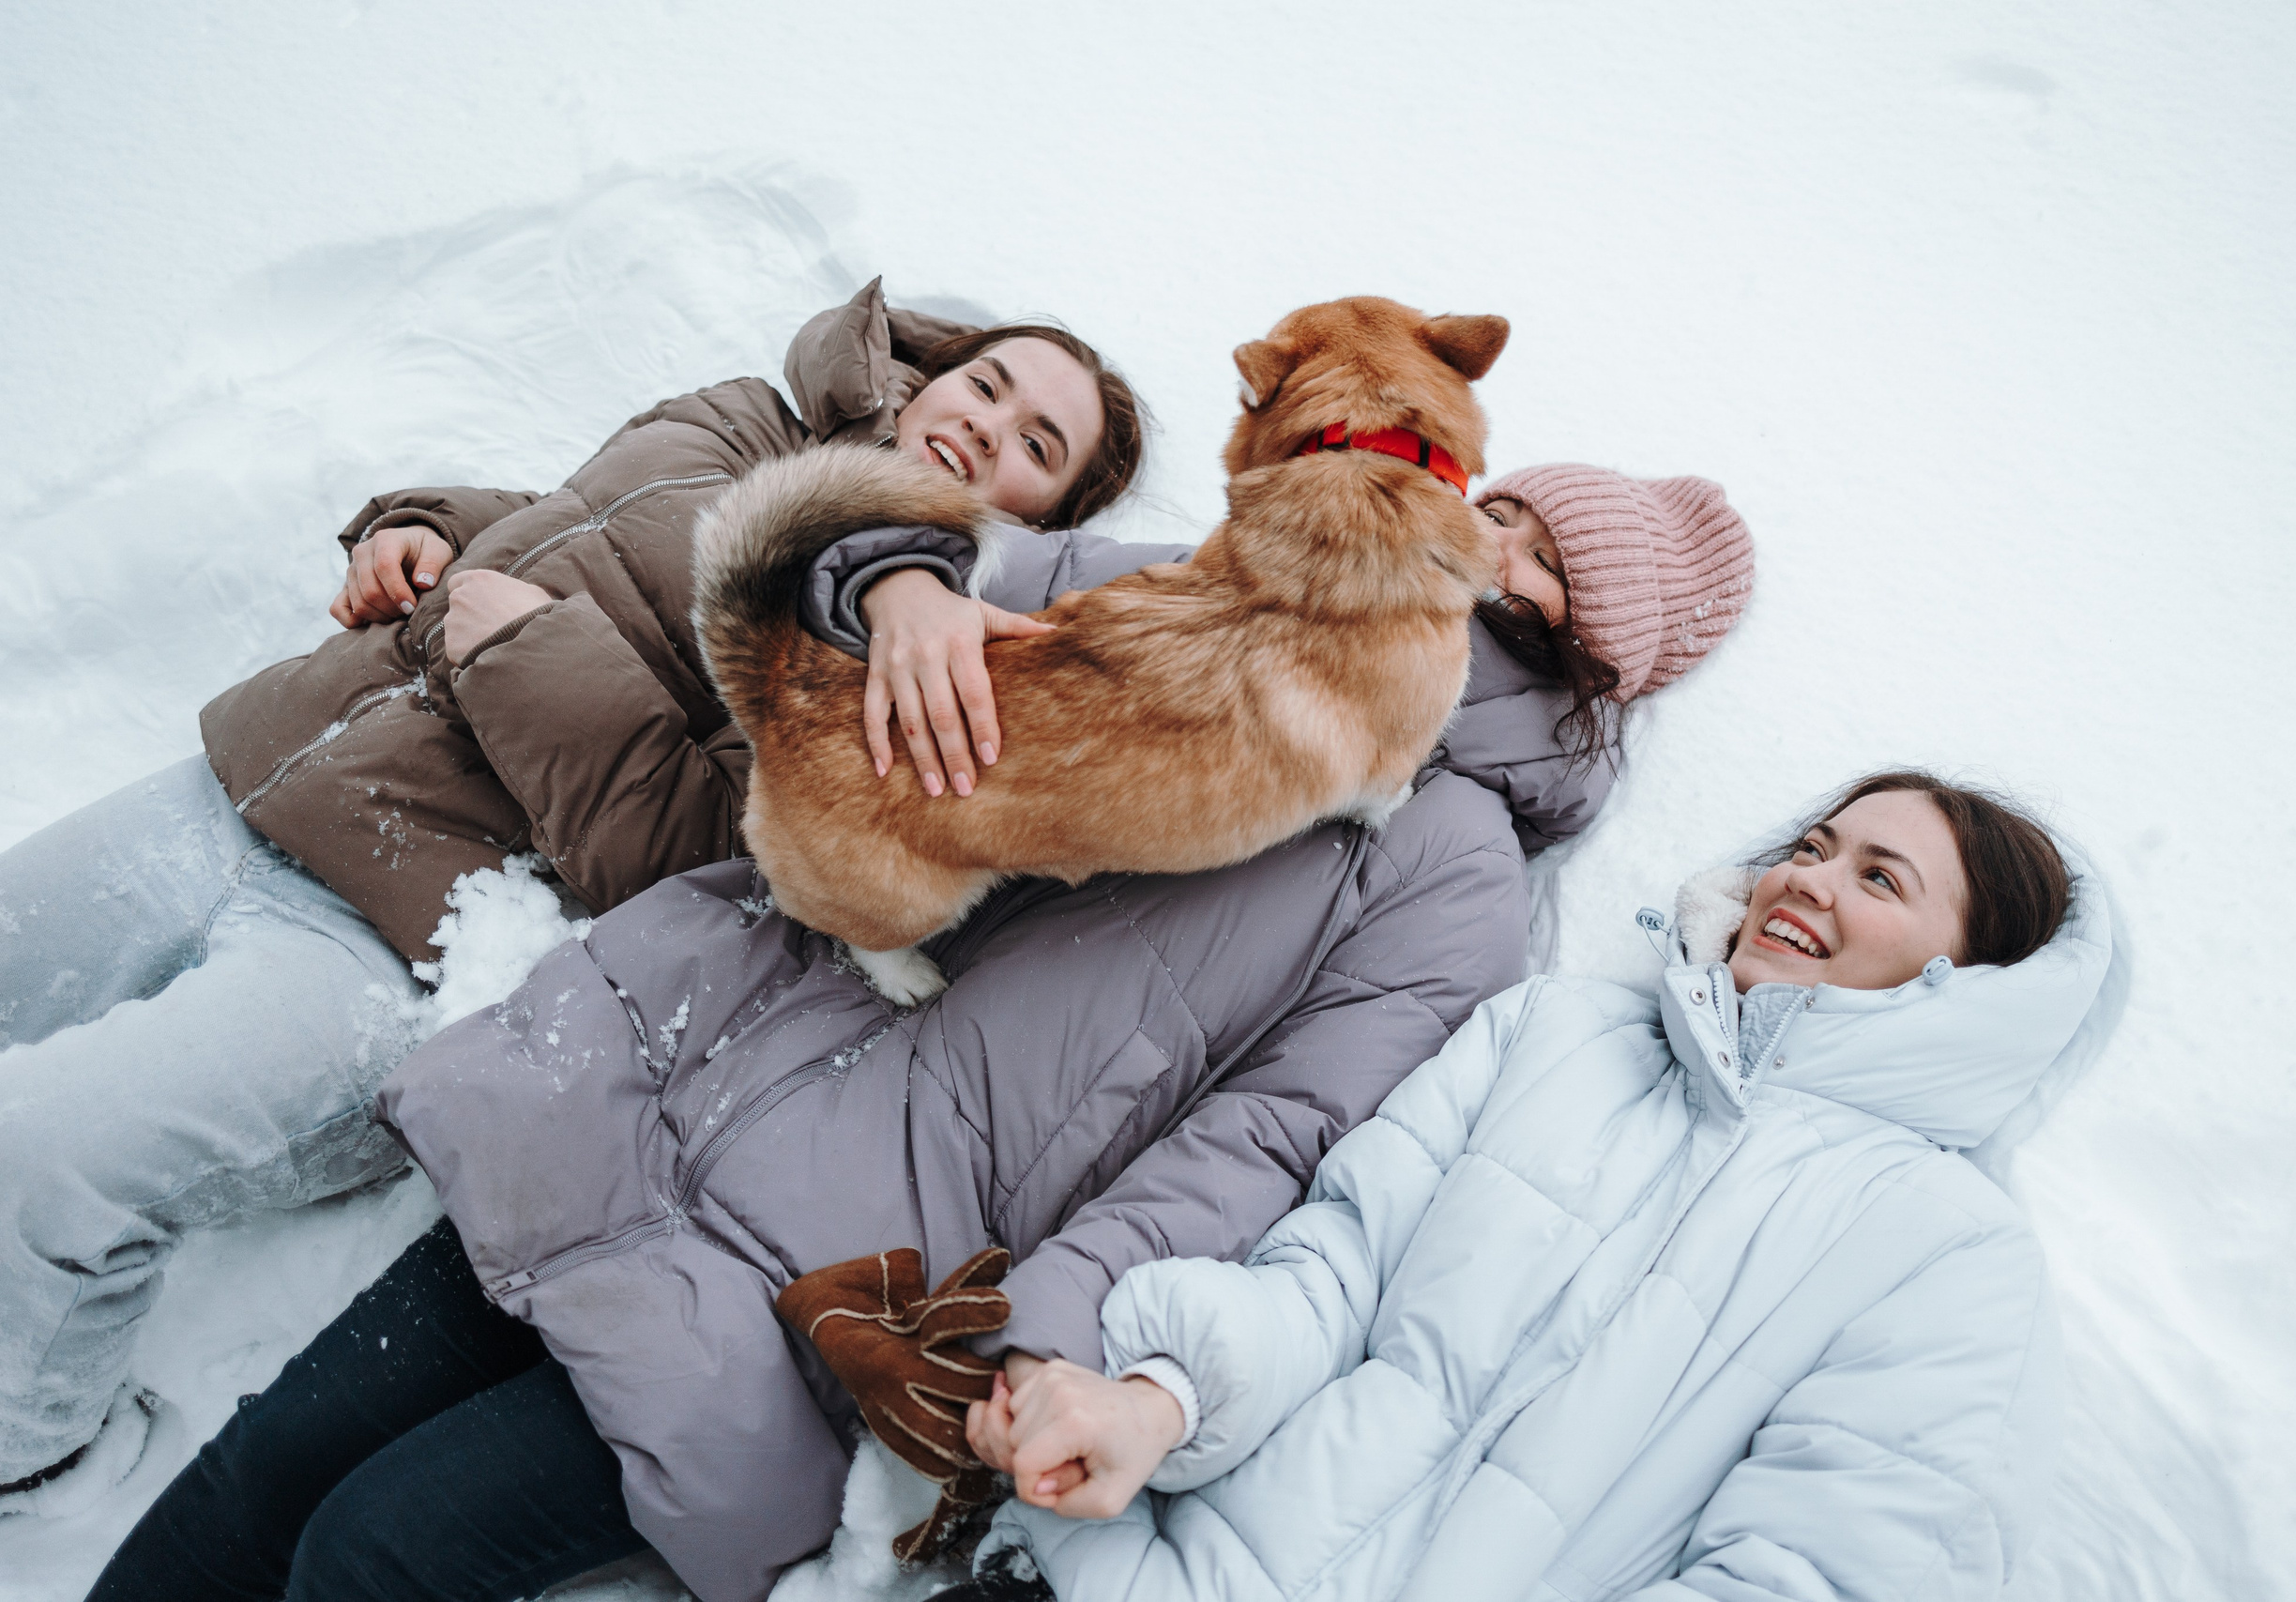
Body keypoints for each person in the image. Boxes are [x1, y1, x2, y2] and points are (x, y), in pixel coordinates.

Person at [84, 460, 1757, 1601]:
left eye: (1551, 570)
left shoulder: (1450, 881)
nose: (1499, 562)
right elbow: (921, 542)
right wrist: (898, 588)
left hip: (817, 1284)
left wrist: (1044, 1330)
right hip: (652, 1068)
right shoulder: (1210, 592)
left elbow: (1263, 1149)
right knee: (268, 1461)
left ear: (1601, 659)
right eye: (1509, 516)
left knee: (382, 1551)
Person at [0, 277, 1144, 1514]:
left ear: (1053, 516)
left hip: (398, 937)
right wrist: (424, 526)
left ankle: (45, 1461)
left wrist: (517, 650)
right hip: (258, 770)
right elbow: (562, 522)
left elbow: (696, 858)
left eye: (1037, 441)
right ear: (922, 376)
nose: (988, 423)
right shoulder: (749, 418)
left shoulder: (920, 677)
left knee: (44, 1153)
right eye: (988, 382)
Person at [939, 771, 2120, 1602]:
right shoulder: (1555, 1035)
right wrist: (1157, 1404)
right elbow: (1334, 1271)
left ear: (1969, 982)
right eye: (1811, 847)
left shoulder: (1950, 1257)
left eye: (1879, 878)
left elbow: (1819, 1575)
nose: (1809, 880)